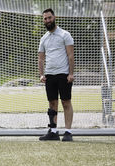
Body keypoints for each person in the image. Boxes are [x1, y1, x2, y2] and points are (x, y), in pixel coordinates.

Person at [38, 8, 74, 141]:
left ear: (54, 17)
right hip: (50, 76)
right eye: (45, 18)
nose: (47, 20)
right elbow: (41, 58)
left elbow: (71, 56)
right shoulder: (44, 39)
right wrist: (41, 74)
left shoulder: (65, 35)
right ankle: (53, 132)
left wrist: (71, 73)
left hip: (64, 74)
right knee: (52, 103)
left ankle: (68, 132)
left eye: (49, 18)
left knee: (66, 102)